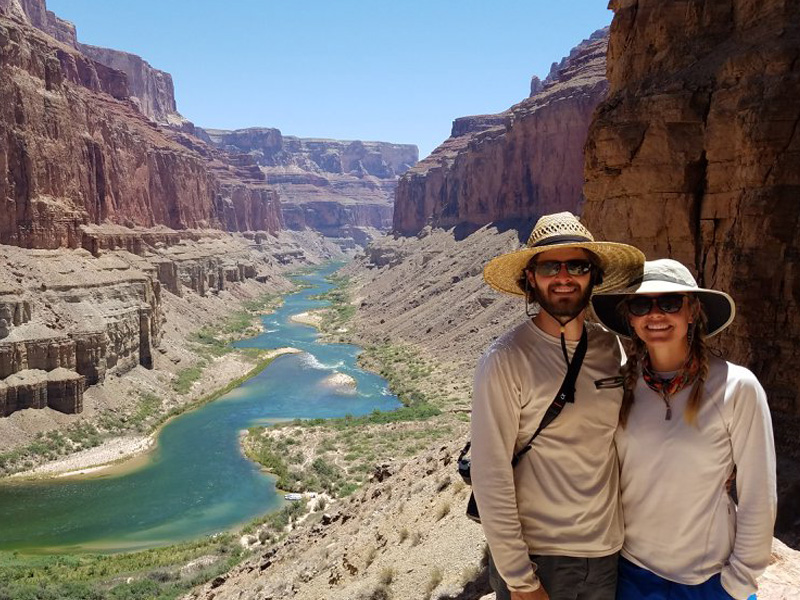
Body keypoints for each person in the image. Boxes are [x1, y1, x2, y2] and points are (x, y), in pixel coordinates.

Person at [472, 212, 645, 600]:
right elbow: (490, 472)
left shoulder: (608, 348)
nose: (564, 276)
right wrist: (520, 578)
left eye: (578, 265)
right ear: (531, 278)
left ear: (593, 276)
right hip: (541, 559)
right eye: (550, 265)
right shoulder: (505, 358)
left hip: (607, 554)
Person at [591, 259, 776, 600]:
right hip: (633, 575)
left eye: (670, 303)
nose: (655, 315)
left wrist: (740, 581)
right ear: (630, 317)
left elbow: (759, 494)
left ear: (692, 311)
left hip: (711, 579)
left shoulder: (736, 387)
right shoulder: (617, 387)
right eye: (642, 304)